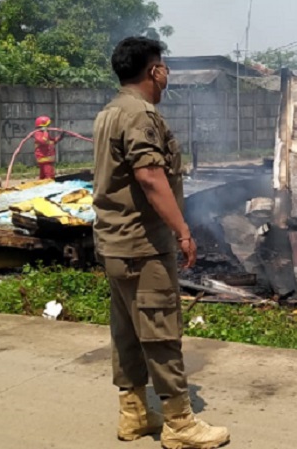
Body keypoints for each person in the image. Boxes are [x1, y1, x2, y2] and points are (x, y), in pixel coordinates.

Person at [92, 37, 230, 448]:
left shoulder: (109, 111)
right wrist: (183, 231)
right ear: (154, 71)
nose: (167, 73)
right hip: (142, 245)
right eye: (164, 66)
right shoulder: (139, 115)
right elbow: (151, 177)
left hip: (114, 242)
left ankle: (133, 414)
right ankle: (180, 424)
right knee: (161, 331)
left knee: (128, 332)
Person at [33, 115, 64, 180]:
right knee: (49, 176)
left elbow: (52, 142)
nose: (49, 127)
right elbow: (44, 141)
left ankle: (42, 186)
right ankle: (49, 188)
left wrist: (60, 137)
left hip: (47, 159)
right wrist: (45, 132)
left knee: (43, 176)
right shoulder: (38, 134)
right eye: (47, 126)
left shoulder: (44, 134)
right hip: (44, 158)